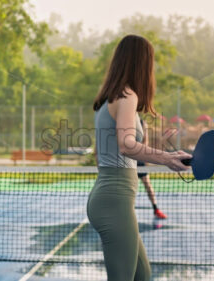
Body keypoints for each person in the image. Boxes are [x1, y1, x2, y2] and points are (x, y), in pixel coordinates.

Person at [87, 34, 191, 281]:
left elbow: (113, 151)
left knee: (142, 276)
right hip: (114, 202)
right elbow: (126, 144)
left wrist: (169, 154)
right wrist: (166, 158)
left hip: (112, 199)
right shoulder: (127, 95)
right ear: (141, 63)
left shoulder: (112, 98)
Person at [137, 119, 167, 219]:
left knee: (148, 185)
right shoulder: (124, 120)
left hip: (139, 160)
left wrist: (143, 155)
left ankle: (156, 209)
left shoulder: (142, 122)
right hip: (128, 161)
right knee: (128, 188)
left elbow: (145, 140)